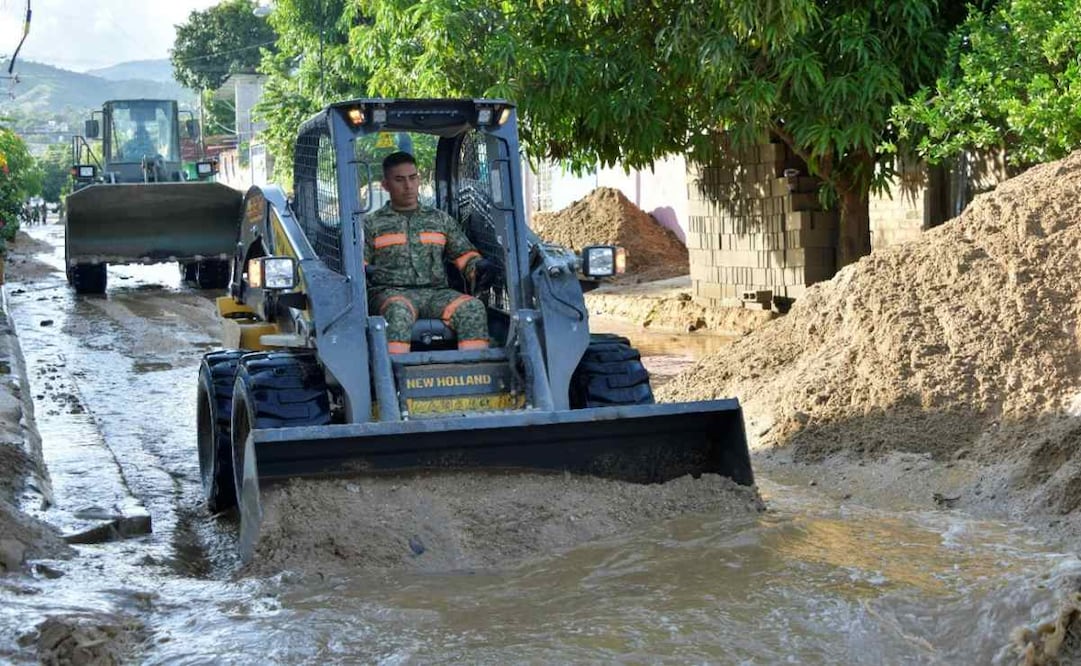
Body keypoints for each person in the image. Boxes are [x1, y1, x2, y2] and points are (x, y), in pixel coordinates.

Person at [364, 151, 498, 354]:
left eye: (412, 178)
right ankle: (393, 379)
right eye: (399, 180)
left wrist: (477, 267)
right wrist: (368, 271)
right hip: (390, 293)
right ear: (385, 185)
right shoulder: (371, 224)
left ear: (418, 179)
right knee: (398, 311)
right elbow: (359, 264)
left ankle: (474, 373)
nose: (408, 186)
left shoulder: (440, 220)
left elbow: (464, 254)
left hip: (437, 293)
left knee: (472, 308)